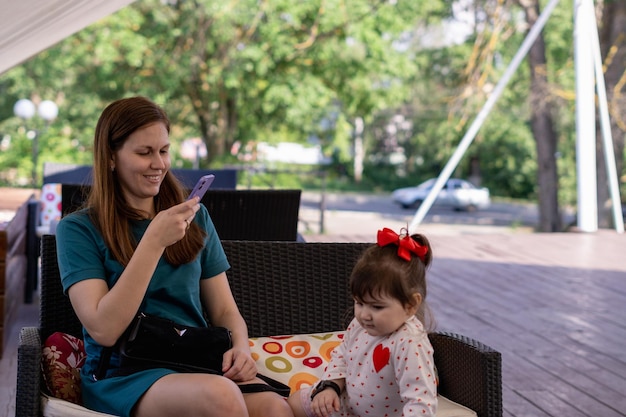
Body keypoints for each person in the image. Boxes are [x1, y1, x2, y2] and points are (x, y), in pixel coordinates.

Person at [55, 96, 294, 417]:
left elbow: (224, 309)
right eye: (144, 153)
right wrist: (153, 242)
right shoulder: (78, 229)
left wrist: (240, 348)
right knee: (219, 396)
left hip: (193, 362)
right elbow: (103, 329)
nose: (159, 164)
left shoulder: (194, 217)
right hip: (125, 372)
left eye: (164, 151)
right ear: (111, 157)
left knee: (273, 407)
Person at [287, 227, 438, 417]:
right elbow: (342, 355)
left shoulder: (409, 343)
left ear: (411, 305)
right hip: (345, 403)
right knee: (294, 402)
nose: (364, 314)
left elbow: (420, 402)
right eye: (359, 303)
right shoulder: (361, 325)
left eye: (377, 307)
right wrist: (330, 387)